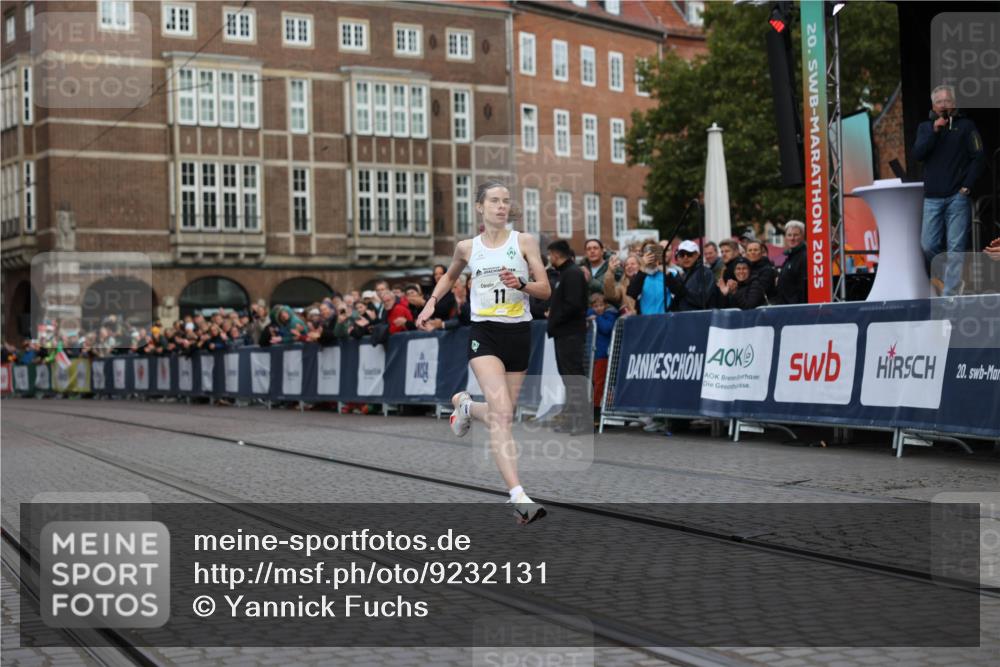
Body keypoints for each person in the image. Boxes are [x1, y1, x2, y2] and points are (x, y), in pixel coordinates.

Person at [415, 180, 551, 525]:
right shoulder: (466, 247)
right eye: (494, 201)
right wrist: (432, 301)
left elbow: (545, 290)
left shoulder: (524, 242)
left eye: (506, 201)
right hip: (484, 334)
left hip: (519, 333)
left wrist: (521, 284)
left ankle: (465, 405)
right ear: (480, 207)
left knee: (502, 415)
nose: (501, 206)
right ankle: (518, 495)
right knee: (503, 415)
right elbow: (448, 278)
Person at [913, 84, 985, 296]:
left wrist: (967, 186)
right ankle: (949, 279)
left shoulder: (966, 126)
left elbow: (979, 157)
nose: (944, 105)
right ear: (934, 106)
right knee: (927, 245)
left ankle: (949, 294)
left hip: (957, 197)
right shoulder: (925, 128)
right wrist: (935, 131)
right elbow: (917, 154)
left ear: (954, 104)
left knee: (956, 247)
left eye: (948, 101)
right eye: (940, 102)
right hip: (932, 197)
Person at [546, 240, 590, 435]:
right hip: (563, 332)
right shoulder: (566, 273)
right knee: (568, 379)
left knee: (574, 378)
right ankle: (572, 420)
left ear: (556, 254)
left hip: (570, 332)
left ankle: (583, 421)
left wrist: (556, 318)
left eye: (550, 255)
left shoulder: (572, 274)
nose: (549, 259)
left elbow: (574, 305)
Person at [587, 293, 619, 424]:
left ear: (605, 305)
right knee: (595, 382)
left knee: (600, 383)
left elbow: (606, 328)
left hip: (603, 355)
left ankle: (597, 411)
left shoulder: (609, 315)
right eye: (595, 306)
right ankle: (594, 409)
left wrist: (597, 318)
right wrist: (591, 314)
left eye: (601, 305)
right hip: (594, 354)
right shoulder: (593, 313)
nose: (598, 308)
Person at [664, 240, 718, 311]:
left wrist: (681, 289)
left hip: (700, 318)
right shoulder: (681, 275)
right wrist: (668, 277)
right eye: (682, 254)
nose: (685, 257)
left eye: (689, 254)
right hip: (682, 319)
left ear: (697, 255)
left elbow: (701, 300)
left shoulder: (706, 273)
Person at [625, 242, 672, 315]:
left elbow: (680, 293)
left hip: (666, 320)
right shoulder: (639, 275)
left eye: (654, 251)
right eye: (647, 252)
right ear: (643, 255)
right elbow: (631, 293)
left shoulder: (669, 273)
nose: (651, 255)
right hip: (645, 321)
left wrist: (667, 274)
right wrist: (643, 267)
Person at [771, 220, 807, 305]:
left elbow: (804, 288)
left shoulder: (805, 257)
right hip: (786, 309)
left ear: (802, 236)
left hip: (797, 310)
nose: (792, 238)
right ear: (785, 237)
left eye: (796, 235)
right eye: (789, 235)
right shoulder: (788, 257)